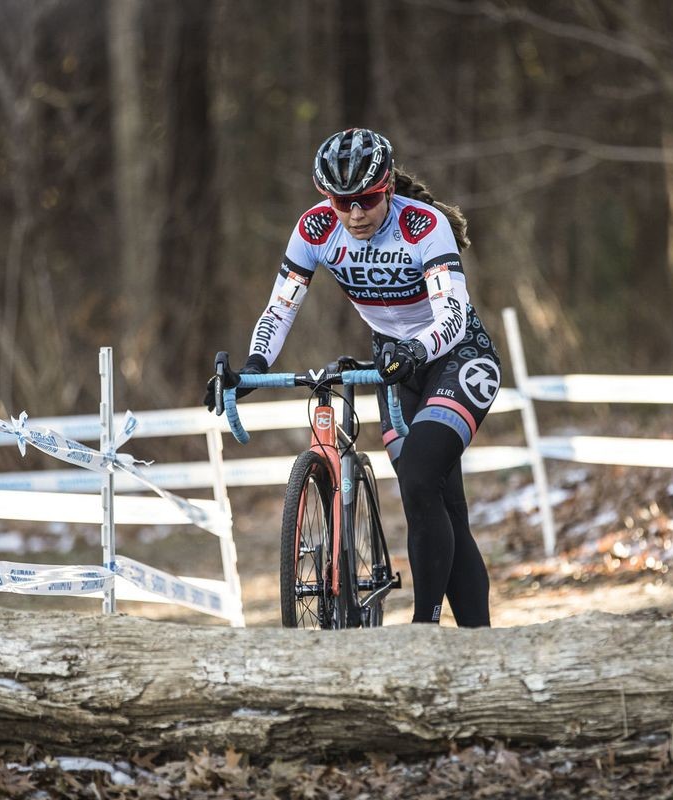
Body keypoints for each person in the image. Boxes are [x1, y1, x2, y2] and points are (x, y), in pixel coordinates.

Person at [205, 128, 501, 627]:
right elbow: (280, 308)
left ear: (386, 188)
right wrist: (254, 367)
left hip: (456, 355)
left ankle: (423, 631)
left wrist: (414, 351)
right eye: (342, 202)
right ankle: (481, 643)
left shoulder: (423, 226)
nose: (355, 214)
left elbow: (452, 313)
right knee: (436, 501)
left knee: (422, 474)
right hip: (393, 365)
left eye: (365, 199)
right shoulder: (317, 230)